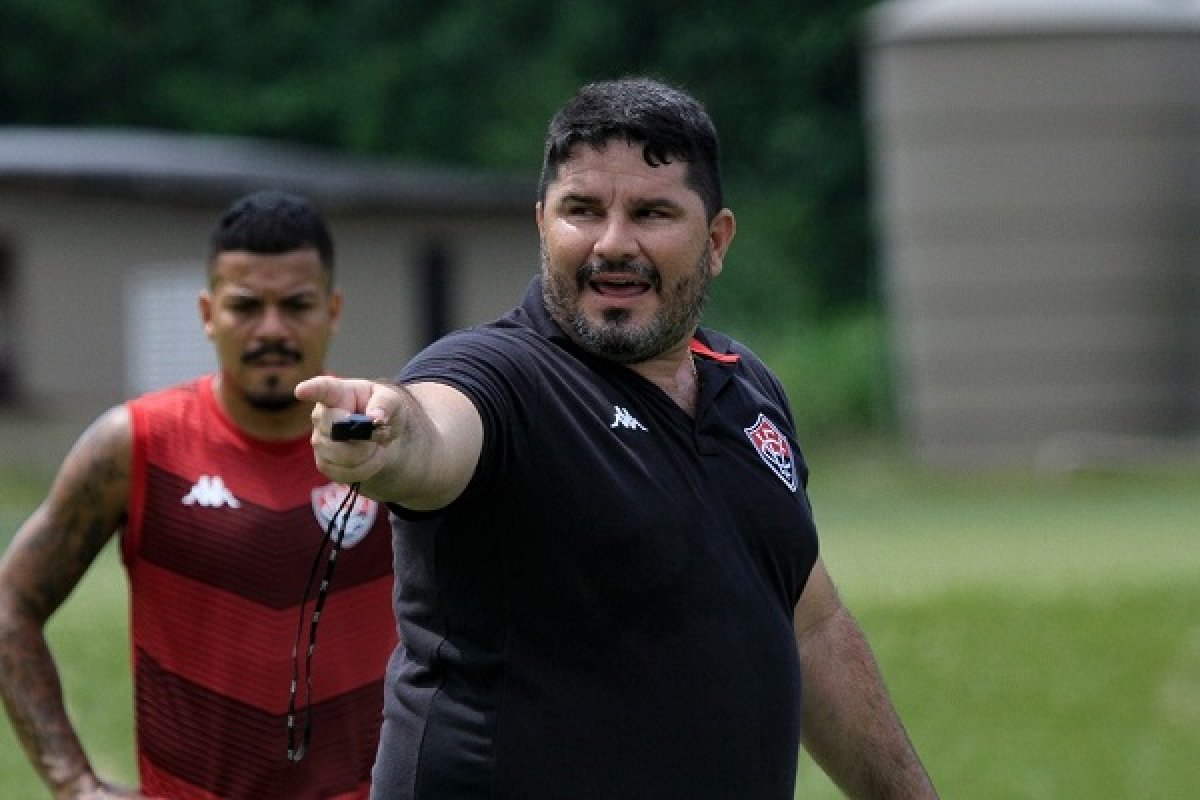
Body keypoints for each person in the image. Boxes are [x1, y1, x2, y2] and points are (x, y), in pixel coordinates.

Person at [297, 77, 938, 799]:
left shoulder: (745, 386)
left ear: (716, 240)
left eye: (652, 212)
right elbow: (432, 430)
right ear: (544, 224)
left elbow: (810, 625)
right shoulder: (504, 376)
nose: (612, 243)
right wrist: (387, 435)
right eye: (583, 211)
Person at [0, 190, 397, 799]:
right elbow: (10, 606)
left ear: (333, 310)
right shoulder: (135, 444)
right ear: (208, 313)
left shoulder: (388, 442)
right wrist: (74, 783)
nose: (272, 329)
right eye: (246, 306)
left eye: (296, 305)